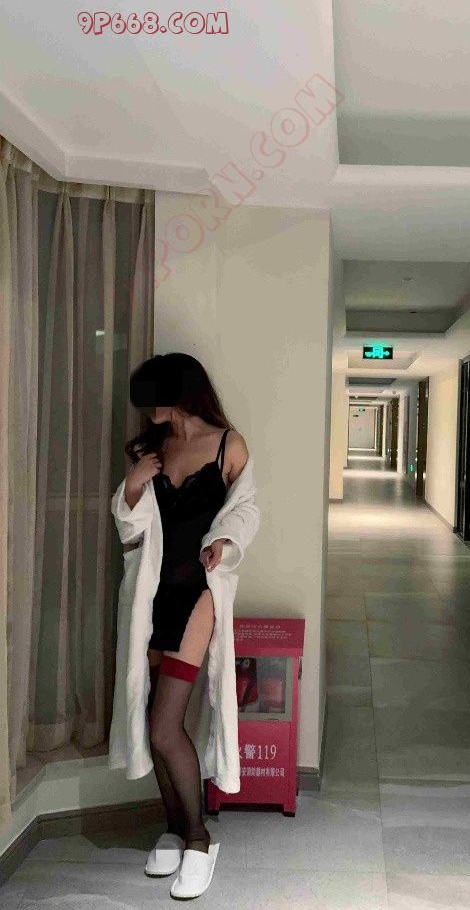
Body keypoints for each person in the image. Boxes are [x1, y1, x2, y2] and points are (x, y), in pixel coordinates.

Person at [118, 352, 251, 897]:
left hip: (198, 594)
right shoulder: (152, 450)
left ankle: (199, 838)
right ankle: (174, 829)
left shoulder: (228, 445)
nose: (146, 409)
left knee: (163, 726)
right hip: (151, 597)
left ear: (179, 392)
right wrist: (132, 486)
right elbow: (130, 527)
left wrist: (225, 542)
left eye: (153, 397)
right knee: (151, 717)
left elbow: (247, 510)